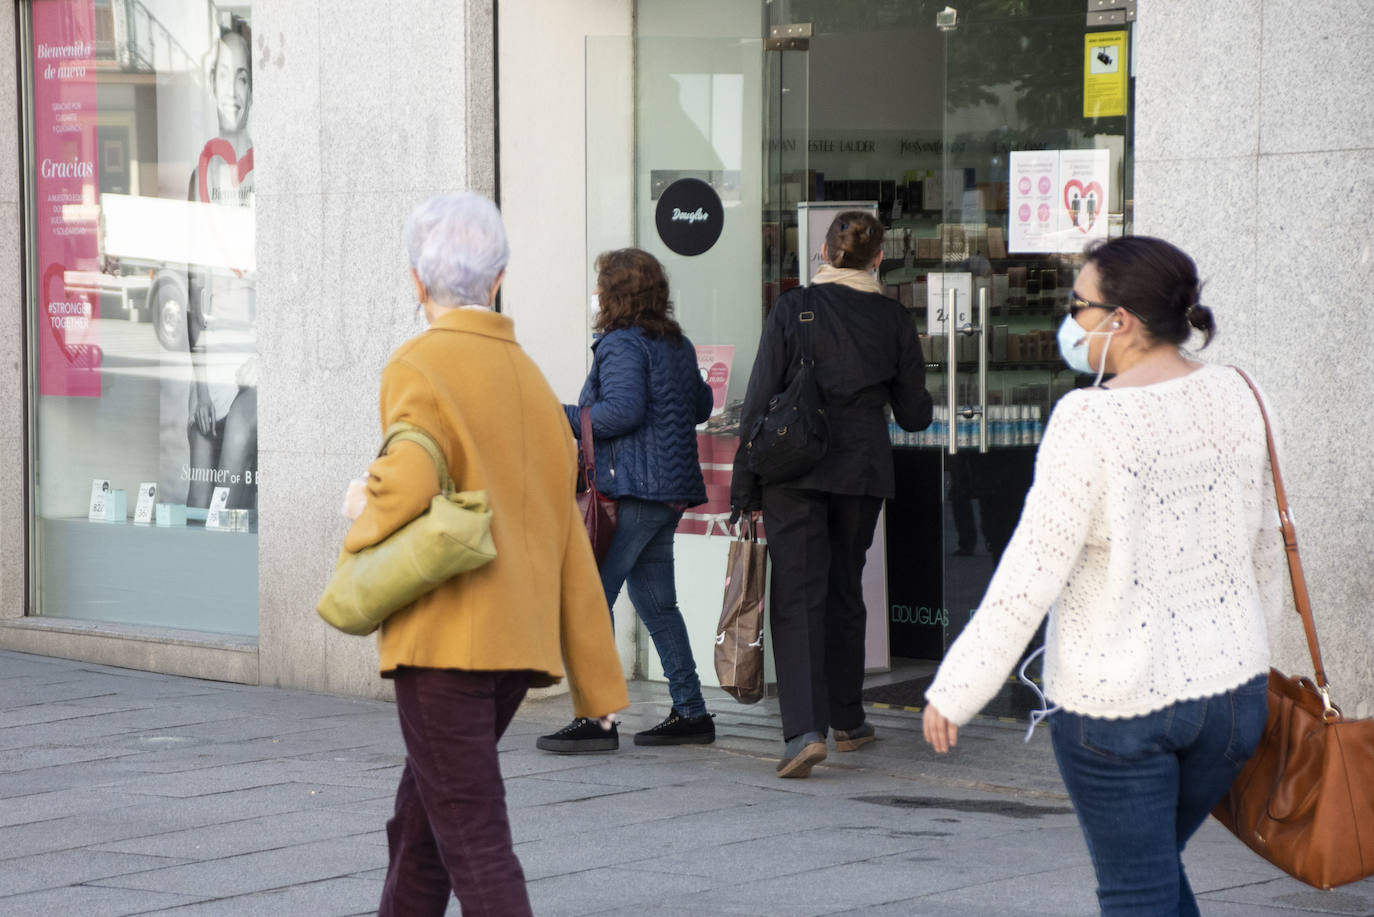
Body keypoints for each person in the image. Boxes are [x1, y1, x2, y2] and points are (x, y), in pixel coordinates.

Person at [922, 236, 1282, 916]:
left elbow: (1031, 569)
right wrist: (1254, 658)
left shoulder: (1089, 418)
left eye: (1078, 305)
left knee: (1136, 890)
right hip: (1232, 701)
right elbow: (1265, 547)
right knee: (1151, 876)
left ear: (1123, 320)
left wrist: (958, 687)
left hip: (1117, 706)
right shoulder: (1242, 393)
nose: (1070, 320)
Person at [342, 193, 628, 916]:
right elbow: (561, 528)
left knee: (472, 839)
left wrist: (358, 510)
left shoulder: (419, 364)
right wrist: (591, 666)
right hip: (514, 647)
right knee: (421, 828)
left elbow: (403, 482)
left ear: (416, 280)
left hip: (445, 644)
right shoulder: (531, 379)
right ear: (498, 277)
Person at [731, 211, 933, 778]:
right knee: (845, 586)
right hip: (862, 471)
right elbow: (915, 416)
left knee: (798, 595)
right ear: (877, 260)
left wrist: (744, 483)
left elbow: (760, 395)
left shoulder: (793, 308)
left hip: (792, 469)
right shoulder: (893, 317)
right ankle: (848, 718)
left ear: (823, 251)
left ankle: (803, 733)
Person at [536, 248, 716, 752]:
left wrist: (556, 414)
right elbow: (701, 404)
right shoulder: (673, 343)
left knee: (591, 600)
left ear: (614, 294)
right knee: (657, 604)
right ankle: (691, 712)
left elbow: (620, 413)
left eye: (600, 285)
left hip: (631, 490)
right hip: (667, 491)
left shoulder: (619, 344)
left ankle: (598, 719)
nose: (595, 293)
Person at [186, 19, 257, 515]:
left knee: (229, 491)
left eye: (244, 76)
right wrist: (197, 384)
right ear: (210, 83)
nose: (232, 90)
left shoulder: (268, 169)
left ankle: (231, 589)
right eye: (224, 74)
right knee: (196, 499)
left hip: (255, 357)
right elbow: (195, 284)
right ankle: (191, 592)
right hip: (213, 359)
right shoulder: (200, 176)